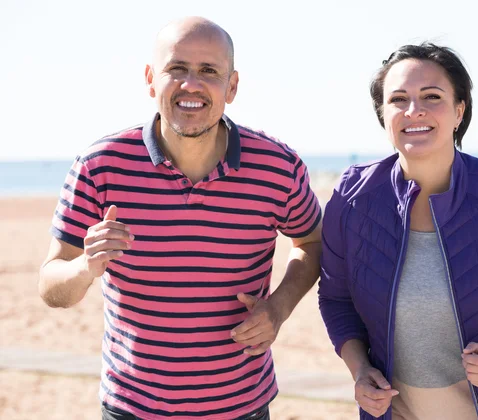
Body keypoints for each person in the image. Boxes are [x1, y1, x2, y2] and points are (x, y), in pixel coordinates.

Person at [39, 17, 322, 420]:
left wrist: (278, 307)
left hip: (242, 408)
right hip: (131, 409)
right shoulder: (99, 166)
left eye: (209, 71)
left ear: (233, 86)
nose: (192, 84)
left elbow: (311, 243)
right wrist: (86, 266)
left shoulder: (277, 166)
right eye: (177, 69)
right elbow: (51, 286)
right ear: (151, 79)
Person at [318, 43, 478, 420]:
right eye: (398, 99)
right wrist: (360, 370)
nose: (413, 110)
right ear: (384, 114)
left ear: (459, 110)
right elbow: (336, 300)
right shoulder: (352, 200)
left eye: (431, 97)